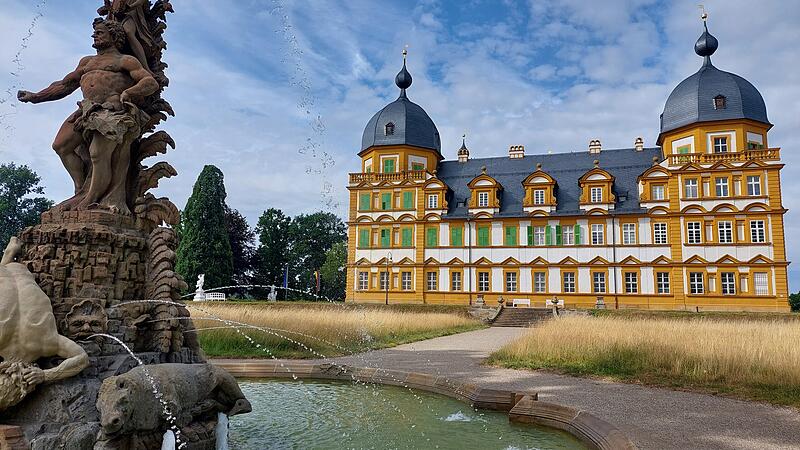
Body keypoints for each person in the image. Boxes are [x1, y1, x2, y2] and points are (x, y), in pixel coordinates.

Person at [18, 19, 159, 215]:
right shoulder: (86, 62)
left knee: (97, 153)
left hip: (111, 110)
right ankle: (80, 190)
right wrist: (36, 97)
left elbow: (150, 82)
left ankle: (92, 198)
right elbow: (65, 85)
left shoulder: (125, 60)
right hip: (85, 110)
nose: (95, 35)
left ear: (114, 36)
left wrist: (130, 93)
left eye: (100, 32)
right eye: (95, 32)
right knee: (61, 146)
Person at [98, 0, 155, 72]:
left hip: (131, 13)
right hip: (115, 14)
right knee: (103, 33)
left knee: (128, 32)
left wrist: (130, 7)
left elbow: (141, 1)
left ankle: (146, 68)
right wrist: (107, 7)